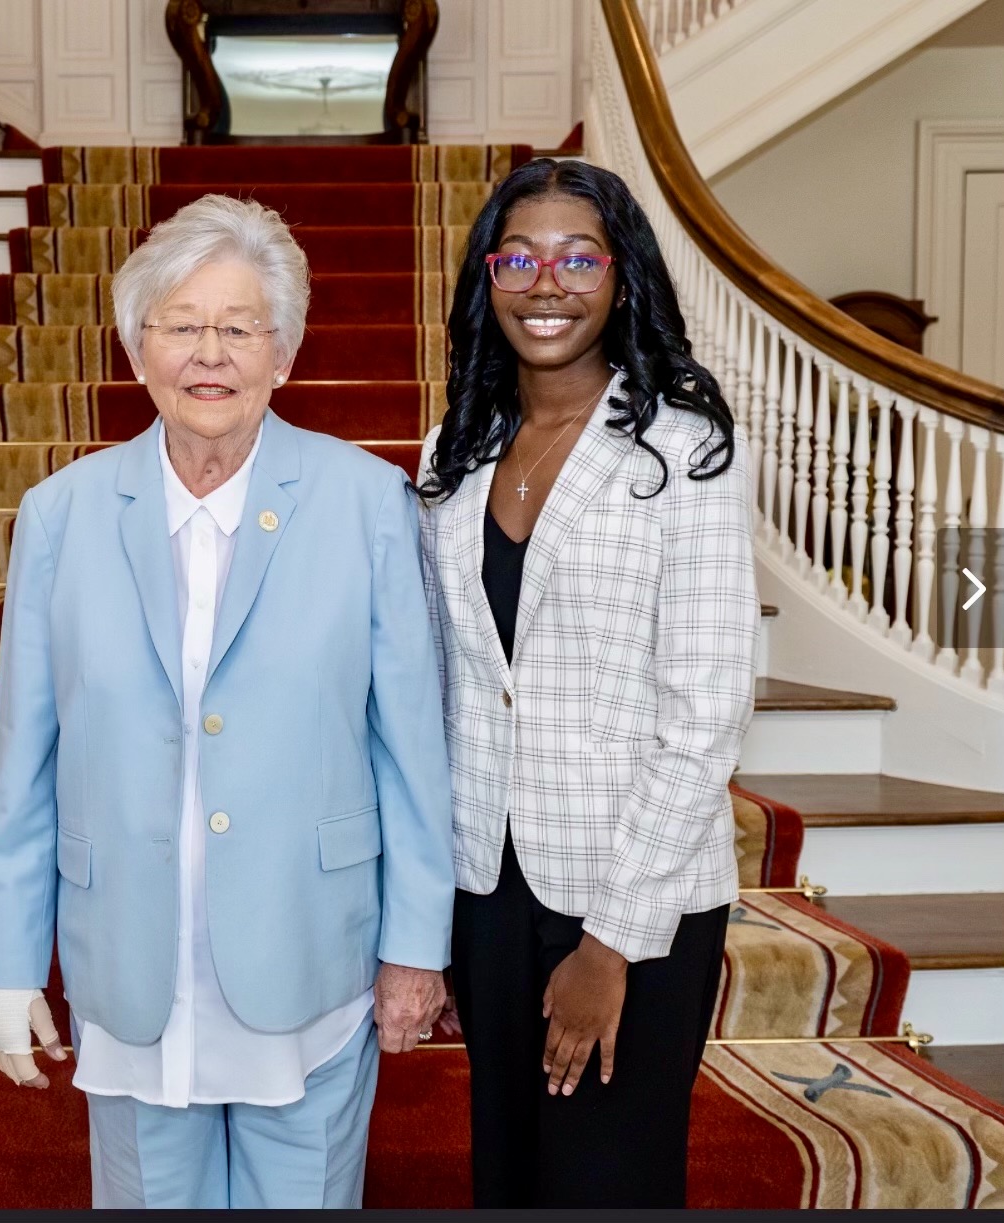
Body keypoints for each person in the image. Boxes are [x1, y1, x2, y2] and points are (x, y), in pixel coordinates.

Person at [0, 194, 455, 1209]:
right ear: (136, 347)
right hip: (129, 965)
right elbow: (26, 760)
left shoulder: (366, 500)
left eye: (239, 327)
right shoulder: (60, 514)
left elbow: (408, 744)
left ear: (283, 353)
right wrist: (8, 962)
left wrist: (416, 943)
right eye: (182, 324)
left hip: (307, 954)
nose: (210, 353)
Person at [417, 158, 759, 1208]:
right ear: (487, 276)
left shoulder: (684, 449)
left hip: (632, 893)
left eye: (578, 257)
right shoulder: (454, 452)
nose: (547, 283)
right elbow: (450, 686)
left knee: (606, 1179)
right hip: (490, 882)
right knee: (509, 1175)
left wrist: (610, 939)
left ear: (621, 277)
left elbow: (706, 709)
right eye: (518, 258)